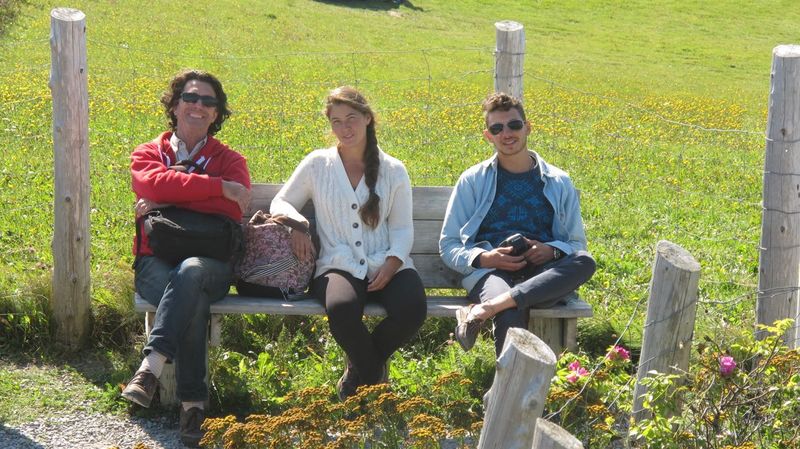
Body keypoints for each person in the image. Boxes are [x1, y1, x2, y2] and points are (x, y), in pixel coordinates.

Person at [270, 86, 427, 400]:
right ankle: (375, 386)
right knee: (341, 310)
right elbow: (281, 202)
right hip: (337, 263)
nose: (345, 128)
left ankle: (358, 368)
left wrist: (392, 264)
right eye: (336, 121)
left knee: (412, 309)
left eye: (352, 118)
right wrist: (297, 224)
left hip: (386, 260)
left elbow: (401, 228)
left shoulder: (394, 170)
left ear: (368, 118)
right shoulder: (318, 164)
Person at [121, 69, 251, 447]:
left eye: (208, 101)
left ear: (216, 113)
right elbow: (149, 182)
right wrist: (216, 188)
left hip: (213, 265)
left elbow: (233, 209)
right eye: (190, 98)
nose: (198, 106)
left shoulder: (231, 159)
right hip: (155, 262)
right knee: (189, 296)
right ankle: (193, 405)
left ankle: (150, 368)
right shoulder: (148, 152)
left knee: (191, 272)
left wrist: (168, 197)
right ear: (175, 106)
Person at [439, 92, 596, 356]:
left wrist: (551, 250)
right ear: (488, 136)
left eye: (514, 125)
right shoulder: (472, 180)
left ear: (528, 127)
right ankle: (510, 381)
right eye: (497, 129)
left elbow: (577, 244)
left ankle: (486, 309)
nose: (506, 134)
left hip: (543, 272)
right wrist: (486, 258)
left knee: (585, 261)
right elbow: (449, 244)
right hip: (492, 273)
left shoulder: (558, 181)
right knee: (510, 310)